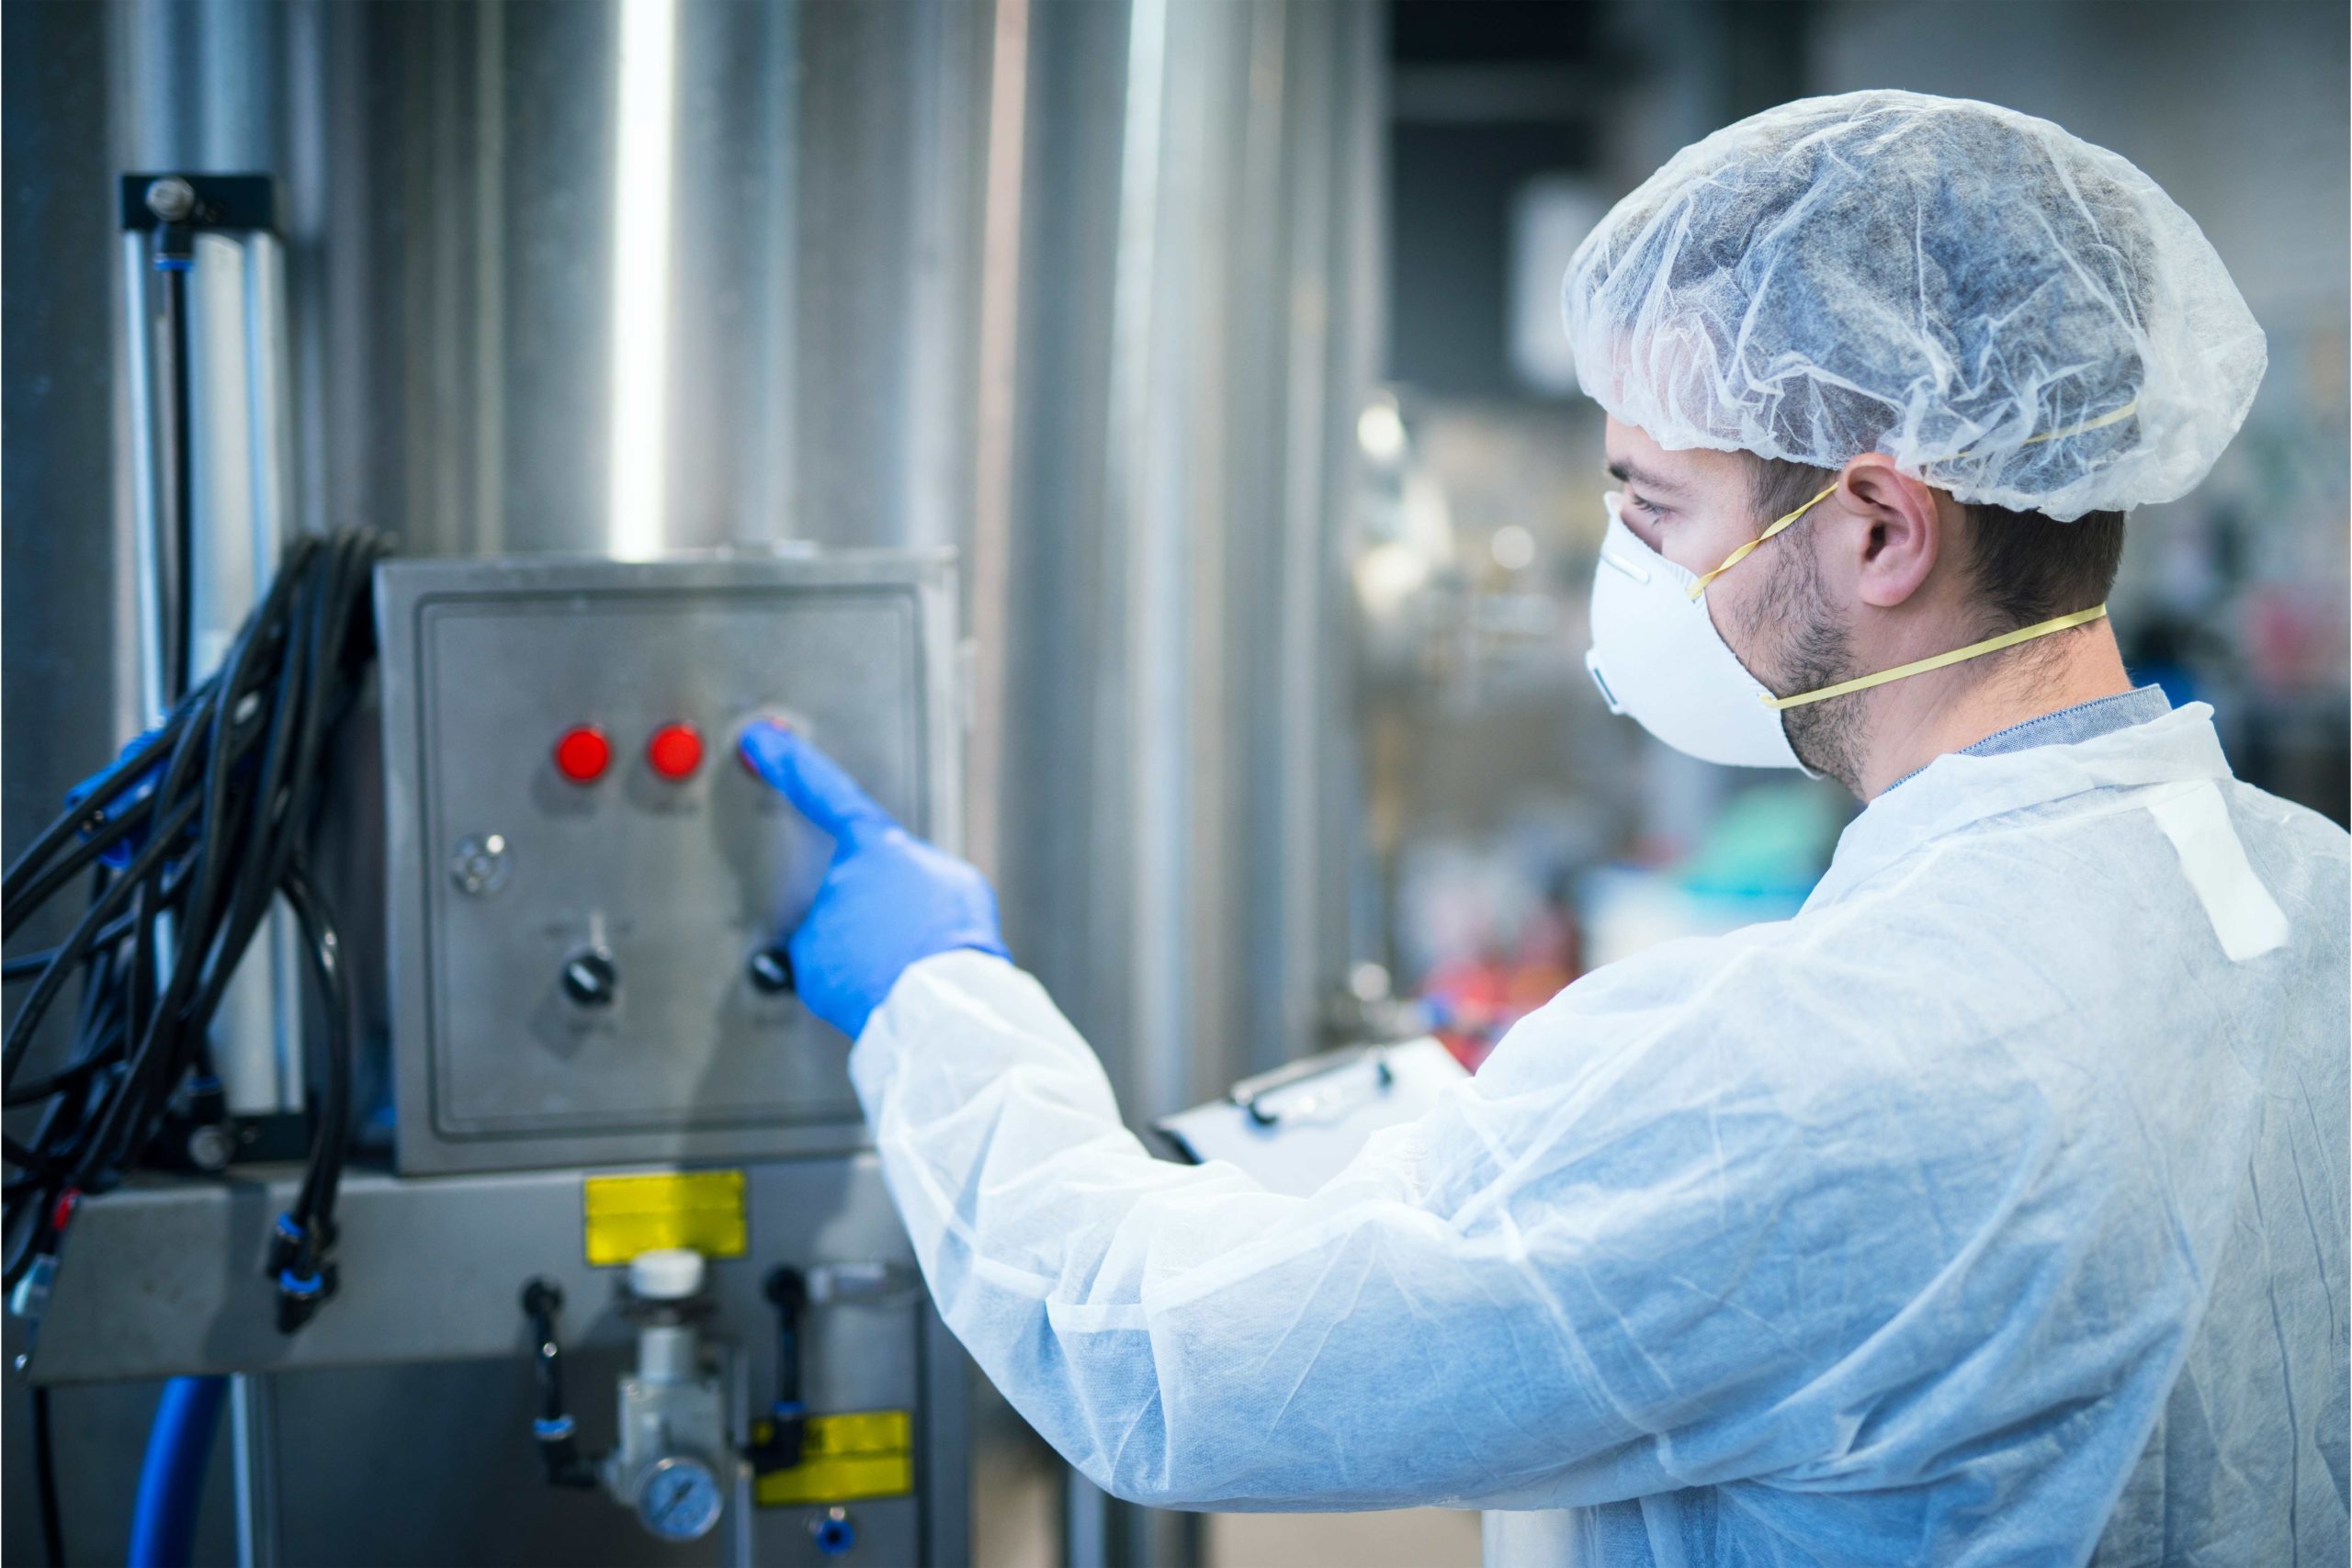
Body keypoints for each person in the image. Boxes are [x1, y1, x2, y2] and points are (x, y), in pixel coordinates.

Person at [741, 91, 2348, 1566]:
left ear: (1876, 529)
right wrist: (1558, 1136)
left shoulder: (1800, 1067)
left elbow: (1158, 1361)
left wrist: (931, 1002)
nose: (1624, 567)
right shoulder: (2313, 899)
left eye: (1654, 508)